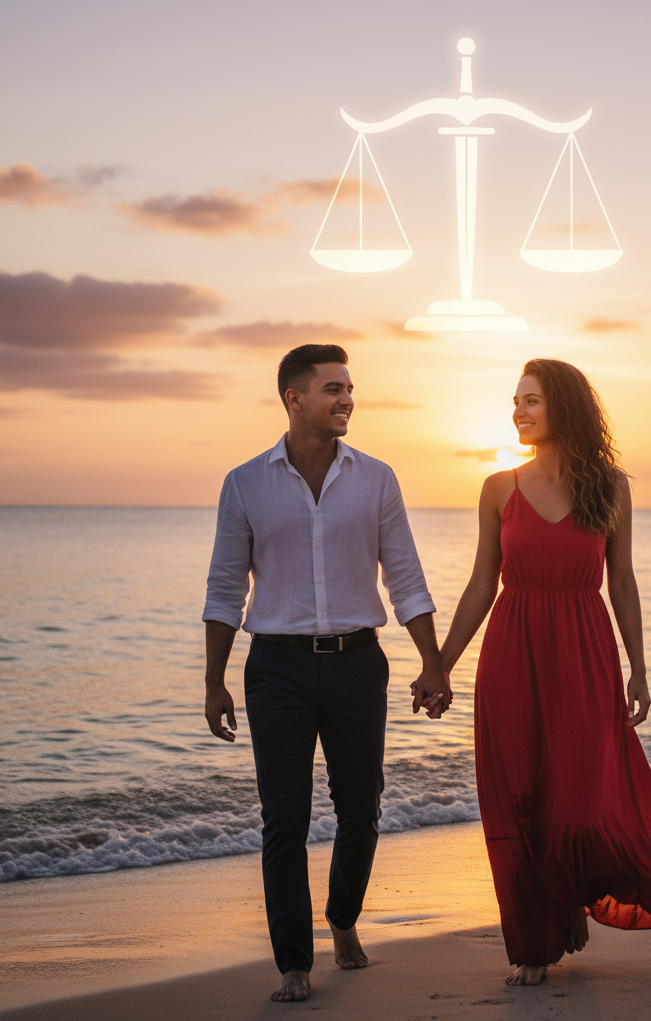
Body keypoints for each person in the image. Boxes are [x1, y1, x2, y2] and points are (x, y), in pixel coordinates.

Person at [439, 358, 651, 987]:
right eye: (515, 401)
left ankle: (571, 897)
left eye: (531, 400)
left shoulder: (609, 487)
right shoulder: (498, 488)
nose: (519, 411)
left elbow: (622, 581)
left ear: (562, 406)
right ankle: (537, 943)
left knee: (581, 808)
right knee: (526, 801)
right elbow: (482, 584)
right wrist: (440, 665)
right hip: (512, 655)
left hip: (585, 656)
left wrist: (639, 668)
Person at [202, 344, 451, 1004]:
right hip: (275, 670)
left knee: (360, 810)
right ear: (295, 398)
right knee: (283, 817)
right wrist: (213, 679)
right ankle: (293, 962)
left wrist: (432, 660)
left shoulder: (376, 479)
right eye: (333, 389)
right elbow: (226, 588)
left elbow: (405, 577)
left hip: (356, 664)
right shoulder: (245, 483)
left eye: (348, 389)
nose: (346, 400)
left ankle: (342, 919)